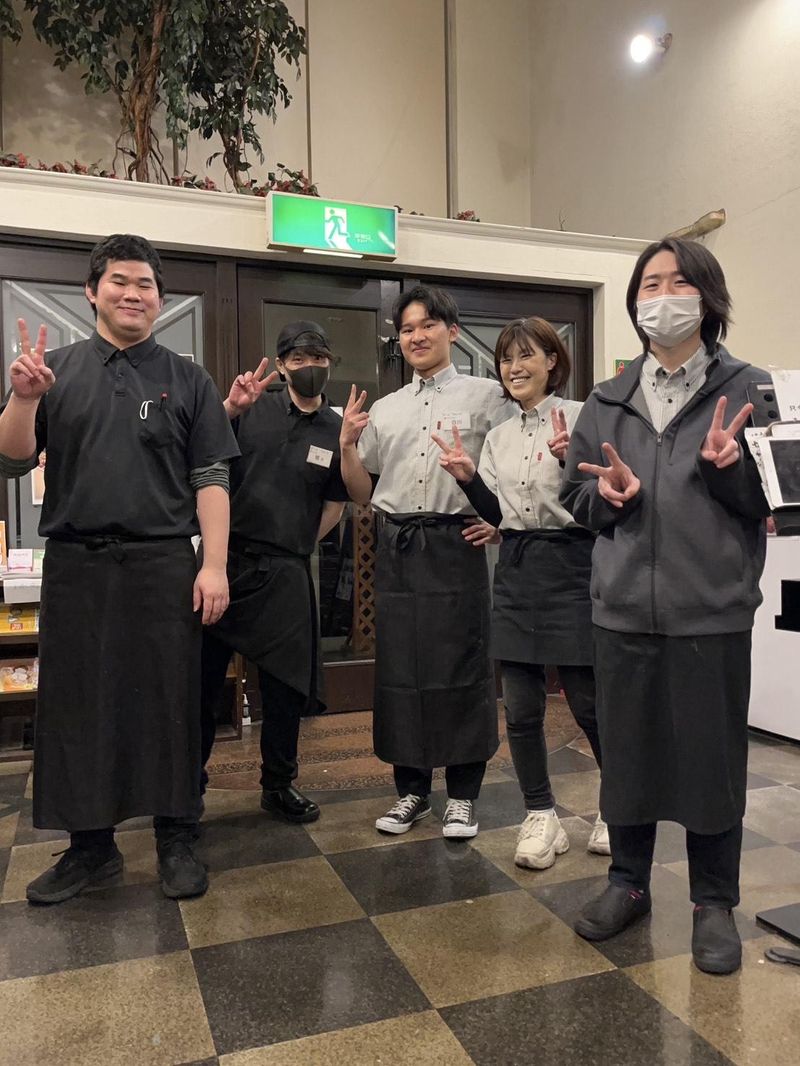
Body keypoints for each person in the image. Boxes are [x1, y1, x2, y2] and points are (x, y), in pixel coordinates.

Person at [0, 233, 240, 903]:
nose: (134, 294)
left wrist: (214, 564)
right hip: (76, 565)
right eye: (120, 282)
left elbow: (212, 476)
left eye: (146, 285)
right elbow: (12, 460)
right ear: (92, 291)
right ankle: (91, 848)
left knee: (170, 702)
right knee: (78, 705)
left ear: (159, 299)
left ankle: (177, 837)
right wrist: (23, 400)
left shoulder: (188, 379)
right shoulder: (53, 370)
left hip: (163, 564)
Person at [560, 237, 771, 975]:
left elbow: (778, 501)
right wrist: (608, 498)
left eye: (679, 281)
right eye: (650, 283)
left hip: (711, 611)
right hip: (622, 611)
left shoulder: (752, 389)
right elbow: (575, 495)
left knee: (714, 762)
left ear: (707, 298)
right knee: (627, 757)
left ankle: (713, 902)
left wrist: (730, 471)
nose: (663, 295)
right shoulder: (607, 398)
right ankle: (628, 882)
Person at [432, 316, 608, 869]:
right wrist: (467, 477)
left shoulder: (584, 418)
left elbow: (604, 500)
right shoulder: (499, 437)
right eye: (506, 359)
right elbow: (496, 513)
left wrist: (571, 461)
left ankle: (618, 807)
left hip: (574, 564)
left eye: (526, 355)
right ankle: (541, 815)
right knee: (522, 709)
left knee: (589, 704)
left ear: (552, 361)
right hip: (516, 567)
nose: (514, 367)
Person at [339, 284, 511, 838]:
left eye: (427, 325)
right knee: (401, 670)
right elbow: (362, 492)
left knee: (462, 667)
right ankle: (411, 791)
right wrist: (346, 446)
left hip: (456, 544)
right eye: (407, 329)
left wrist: (502, 521)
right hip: (397, 547)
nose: (416, 336)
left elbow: (511, 470)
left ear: (452, 331)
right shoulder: (386, 409)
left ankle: (462, 795)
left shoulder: (490, 397)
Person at [198, 321, 349, 824]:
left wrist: (296, 541)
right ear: (281, 365)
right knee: (202, 683)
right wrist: (228, 408)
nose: (310, 367)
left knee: (285, 689)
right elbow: (203, 464)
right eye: (299, 359)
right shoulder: (251, 407)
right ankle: (187, 784)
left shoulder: (336, 428)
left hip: (286, 569)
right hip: (225, 562)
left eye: (318, 358)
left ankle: (278, 784)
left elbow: (334, 506)